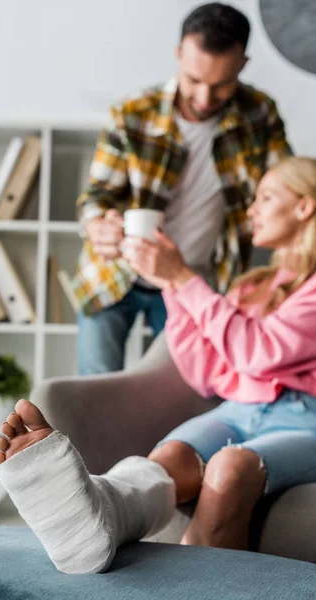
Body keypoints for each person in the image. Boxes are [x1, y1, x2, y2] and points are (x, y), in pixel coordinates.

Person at [0, 156, 316, 575]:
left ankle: (190, 581)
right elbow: (206, 373)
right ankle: (92, 521)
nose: (252, 209)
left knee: (229, 467)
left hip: (307, 421)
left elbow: (259, 352)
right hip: (236, 410)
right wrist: (169, 287)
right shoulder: (250, 285)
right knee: (169, 458)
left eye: (266, 197)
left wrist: (183, 279)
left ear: (305, 207)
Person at [73, 2, 292, 375]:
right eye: (194, 80)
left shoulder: (260, 114)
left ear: (242, 64)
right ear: (178, 55)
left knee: (174, 401)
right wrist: (97, 225)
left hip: (190, 286)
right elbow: (97, 197)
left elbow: (286, 185)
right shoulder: (132, 113)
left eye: (221, 85)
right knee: (93, 393)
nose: (205, 99)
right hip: (113, 277)